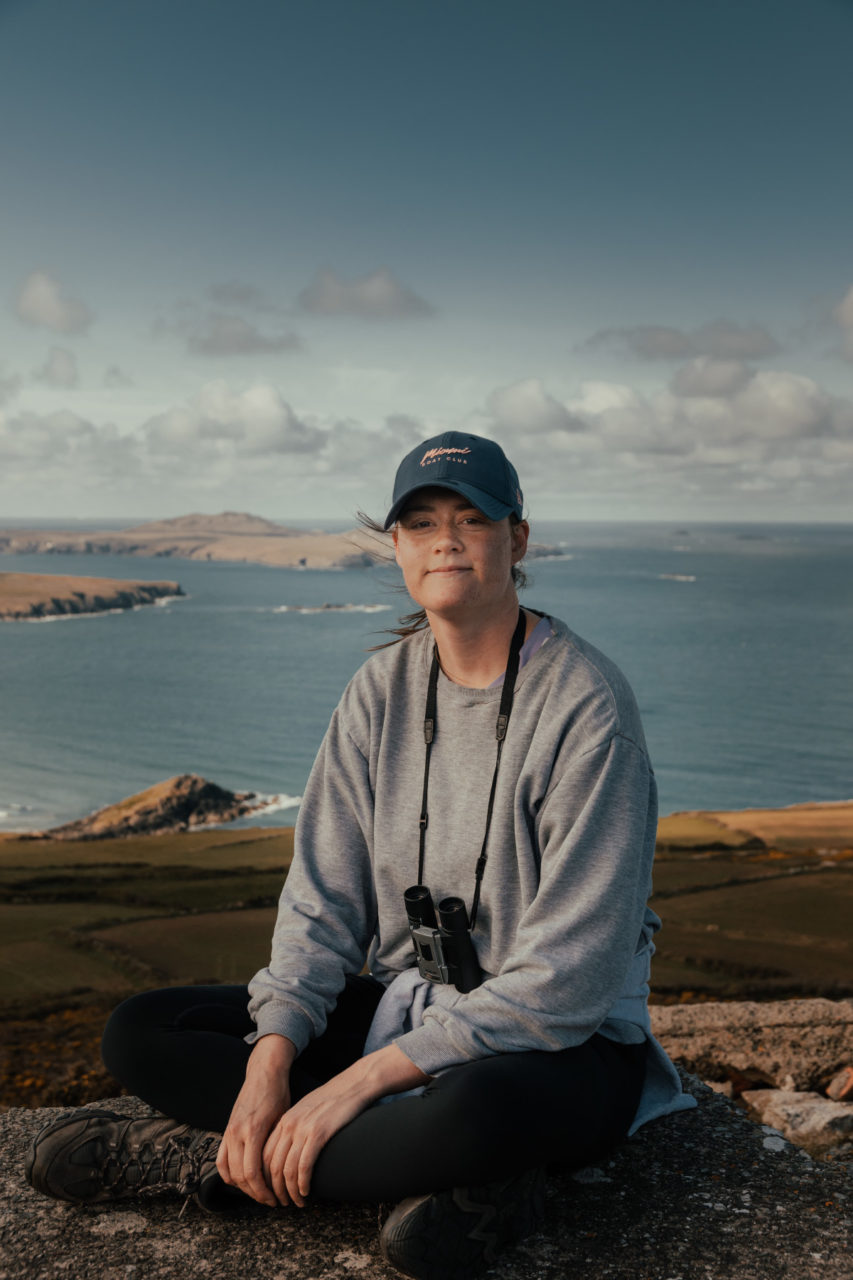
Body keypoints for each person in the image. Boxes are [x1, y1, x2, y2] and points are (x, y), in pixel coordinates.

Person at [26, 432, 694, 1280]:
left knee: (474, 1114)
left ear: (516, 539)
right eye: (419, 522)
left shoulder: (587, 707)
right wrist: (272, 1060)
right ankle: (449, 1184)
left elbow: (568, 979)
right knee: (142, 1033)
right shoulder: (379, 689)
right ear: (397, 546)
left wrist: (357, 1083)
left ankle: (206, 1165)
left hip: (556, 1050)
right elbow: (321, 903)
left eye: (471, 518)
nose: (444, 538)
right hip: (402, 1007)